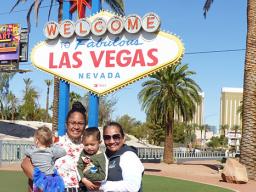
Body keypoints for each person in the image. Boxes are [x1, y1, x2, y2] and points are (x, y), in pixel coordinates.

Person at [21, 101, 88, 192]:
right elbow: (26, 164)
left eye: (80, 123)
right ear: (66, 124)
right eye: (72, 122)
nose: (76, 126)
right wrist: (43, 184)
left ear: (85, 126)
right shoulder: (53, 141)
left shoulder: (88, 147)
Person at [94, 122, 144, 192]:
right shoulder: (104, 156)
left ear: (123, 138)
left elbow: (132, 186)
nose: (111, 141)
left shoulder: (129, 156)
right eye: (107, 137)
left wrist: (101, 185)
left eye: (116, 137)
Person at [25, 126, 66, 192]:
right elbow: (63, 152)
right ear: (50, 141)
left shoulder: (32, 152)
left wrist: (34, 147)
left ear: (36, 140)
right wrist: (53, 144)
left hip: (38, 181)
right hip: (50, 179)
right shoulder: (51, 151)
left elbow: (26, 151)